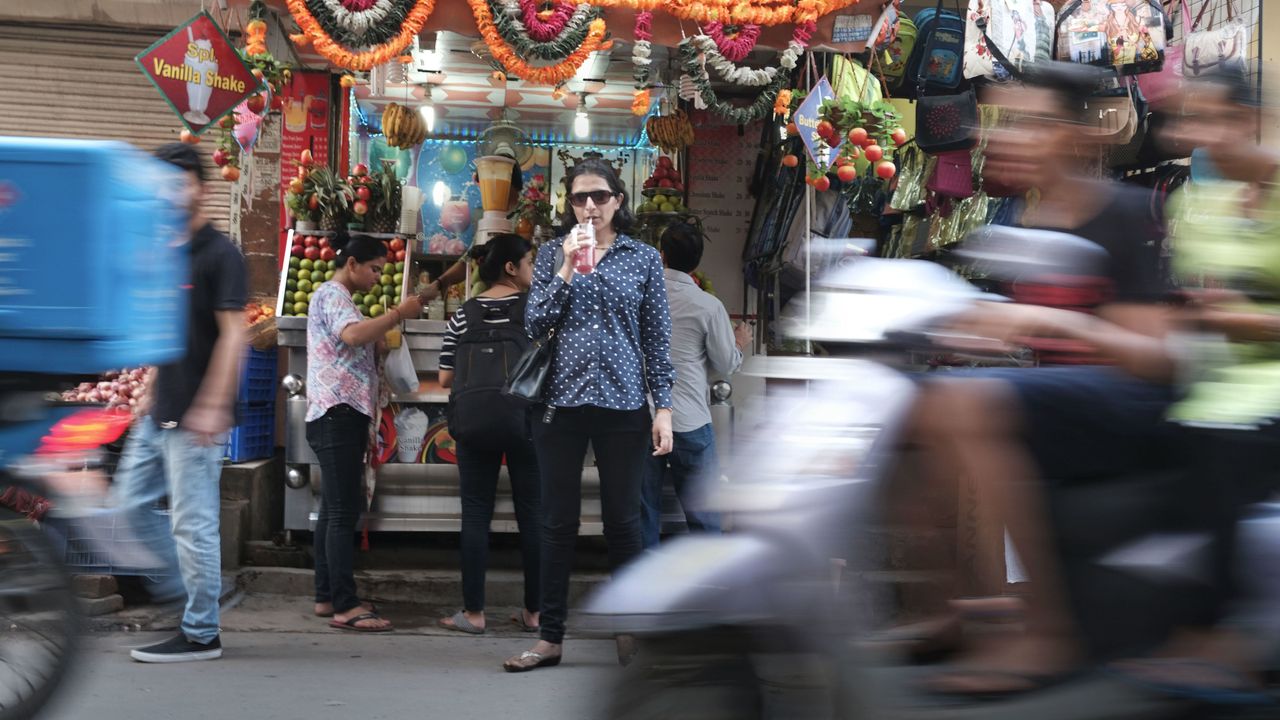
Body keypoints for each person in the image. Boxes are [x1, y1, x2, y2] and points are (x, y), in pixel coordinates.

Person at [906, 62, 1181, 696]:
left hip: (1130, 402)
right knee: (910, 406)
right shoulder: (1023, 223)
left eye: (1030, 123)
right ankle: (962, 606)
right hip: (1063, 402)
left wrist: (1052, 324)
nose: (1009, 137)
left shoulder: (1125, 212)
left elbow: (1154, 356)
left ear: (1074, 134)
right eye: (1004, 122)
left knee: (962, 407)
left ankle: (1045, 633)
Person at [503, 158, 675, 672]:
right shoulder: (555, 251)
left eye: (599, 196)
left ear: (618, 201)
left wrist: (661, 408)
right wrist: (562, 269)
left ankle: (629, 630)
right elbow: (534, 322)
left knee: (624, 523)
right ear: (569, 204)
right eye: (579, 198)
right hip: (561, 404)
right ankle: (550, 638)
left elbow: (657, 340)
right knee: (557, 522)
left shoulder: (641, 258)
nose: (590, 207)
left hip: (623, 405)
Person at [117, 143, 246, 663]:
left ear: (201, 187)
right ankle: (190, 590)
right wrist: (147, 388)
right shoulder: (164, 249)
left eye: (179, 181)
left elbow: (233, 335)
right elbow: (163, 331)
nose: (169, 192)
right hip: (160, 409)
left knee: (192, 525)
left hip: (196, 416)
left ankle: (201, 630)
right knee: (125, 508)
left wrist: (214, 406)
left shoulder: (222, 254)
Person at [305, 232, 423, 633]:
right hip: (337, 412)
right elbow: (352, 335)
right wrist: (398, 314)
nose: (377, 276)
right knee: (342, 512)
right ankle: (345, 605)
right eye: (374, 268)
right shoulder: (333, 294)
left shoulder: (338, 298)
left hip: (335, 412)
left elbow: (353, 343)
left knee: (333, 510)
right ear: (352, 264)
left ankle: (327, 595)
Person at [436, 233, 542, 635]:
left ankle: (475, 613)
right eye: (529, 263)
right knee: (532, 514)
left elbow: (446, 376)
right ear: (511, 268)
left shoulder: (464, 313)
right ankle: (535, 613)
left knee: (476, 514)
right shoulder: (534, 309)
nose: (533, 271)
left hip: (474, 423)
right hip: (524, 421)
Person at [640, 222, 750, 548]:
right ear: (697, 263)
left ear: (661, 256)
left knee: (644, 509)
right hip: (689, 420)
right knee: (703, 509)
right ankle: (707, 578)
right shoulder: (707, 305)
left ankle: (643, 583)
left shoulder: (640, 298)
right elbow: (726, 364)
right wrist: (739, 343)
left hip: (643, 417)